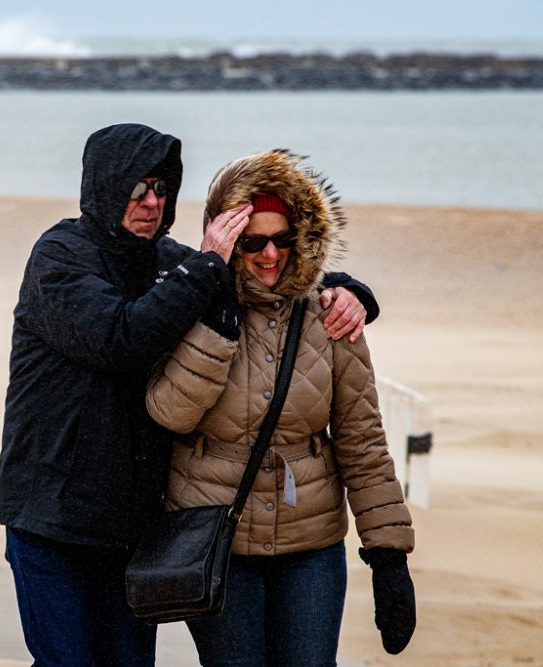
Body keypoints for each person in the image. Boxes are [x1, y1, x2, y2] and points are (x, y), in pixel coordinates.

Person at [0, 123, 378, 666]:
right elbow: (121, 336)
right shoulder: (59, 258)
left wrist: (347, 290)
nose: (150, 203)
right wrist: (204, 266)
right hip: (50, 517)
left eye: (160, 188)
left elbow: (260, 276)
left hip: (131, 524)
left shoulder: (167, 262)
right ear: (103, 187)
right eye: (135, 189)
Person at [145, 148, 416, 666]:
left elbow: (363, 443)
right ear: (227, 238)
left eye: (283, 239)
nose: (270, 254)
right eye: (253, 242)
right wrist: (216, 313)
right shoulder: (184, 304)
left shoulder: (333, 316)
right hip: (214, 540)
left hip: (310, 548)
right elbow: (169, 413)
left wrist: (388, 556)